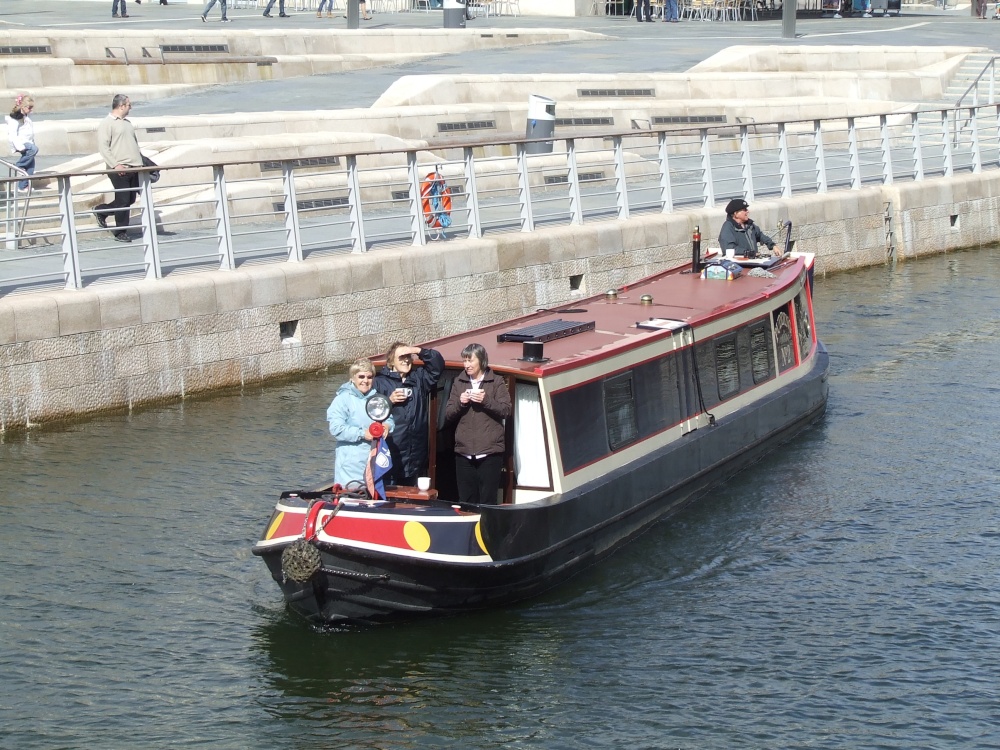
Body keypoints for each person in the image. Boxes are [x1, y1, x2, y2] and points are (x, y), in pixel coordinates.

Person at [444, 343, 511, 506]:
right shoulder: (459, 382)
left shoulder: (496, 381)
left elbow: (506, 410)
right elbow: (448, 414)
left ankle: (487, 524)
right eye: (464, 360)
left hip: (490, 453)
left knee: (487, 502)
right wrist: (460, 402)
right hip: (464, 452)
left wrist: (486, 400)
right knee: (466, 502)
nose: (466, 365)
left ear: (481, 361)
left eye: (470, 360)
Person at [373, 343, 445, 487]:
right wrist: (389, 401)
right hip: (392, 450)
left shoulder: (418, 378)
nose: (406, 360)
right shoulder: (379, 382)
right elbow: (370, 410)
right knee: (390, 491)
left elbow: (437, 365)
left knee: (412, 491)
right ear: (391, 361)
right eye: (401, 357)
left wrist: (417, 350)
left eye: (408, 356)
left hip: (415, 453)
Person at [327, 358, 395, 489]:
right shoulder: (342, 399)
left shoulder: (377, 398)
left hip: (375, 460)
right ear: (353, 378)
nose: (365, 380)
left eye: (369, 377)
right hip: (350, 465)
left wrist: (387, 426)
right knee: (353, 496)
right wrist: (363, 434)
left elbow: (389, 418)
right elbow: (336, 429)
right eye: (361, 377)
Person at [94, 94, 143, 243]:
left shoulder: (127, 124)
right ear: (121, 106)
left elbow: (134, 145)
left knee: (130, 199)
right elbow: (103, 147)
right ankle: (120, 232)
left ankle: (101, 211)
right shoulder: (107, 123)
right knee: (123, 200)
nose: (130, 107)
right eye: (129, 105)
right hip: (119, 168)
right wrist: (115, 164)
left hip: (133, 168)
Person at [6, 94, 36, 192]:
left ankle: (23, 186)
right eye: (29, 107)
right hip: (21, 143)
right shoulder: (15, 118)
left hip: (28, 142)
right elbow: (12, 135)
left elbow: (29, 132)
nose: (31, 110)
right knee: (34, 149)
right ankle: (19, 166)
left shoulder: (26, 116)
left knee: (31, 165)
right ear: (23, 106)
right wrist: (19, 146)